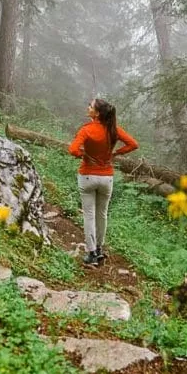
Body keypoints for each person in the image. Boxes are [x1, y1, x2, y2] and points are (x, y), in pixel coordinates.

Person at [68, 98, 139, 267]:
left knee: (89, 215)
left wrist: (83, 154)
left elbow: (72, 150)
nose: (88, 108)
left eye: (91, 106)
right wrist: (116, 153)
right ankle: (99, 248)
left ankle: (91, 253)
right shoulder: (113, 129)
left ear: (97, 113)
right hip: (107, 177)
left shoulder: (87, 129)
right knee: (102, 214)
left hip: (87, 176)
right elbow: (133, 144)